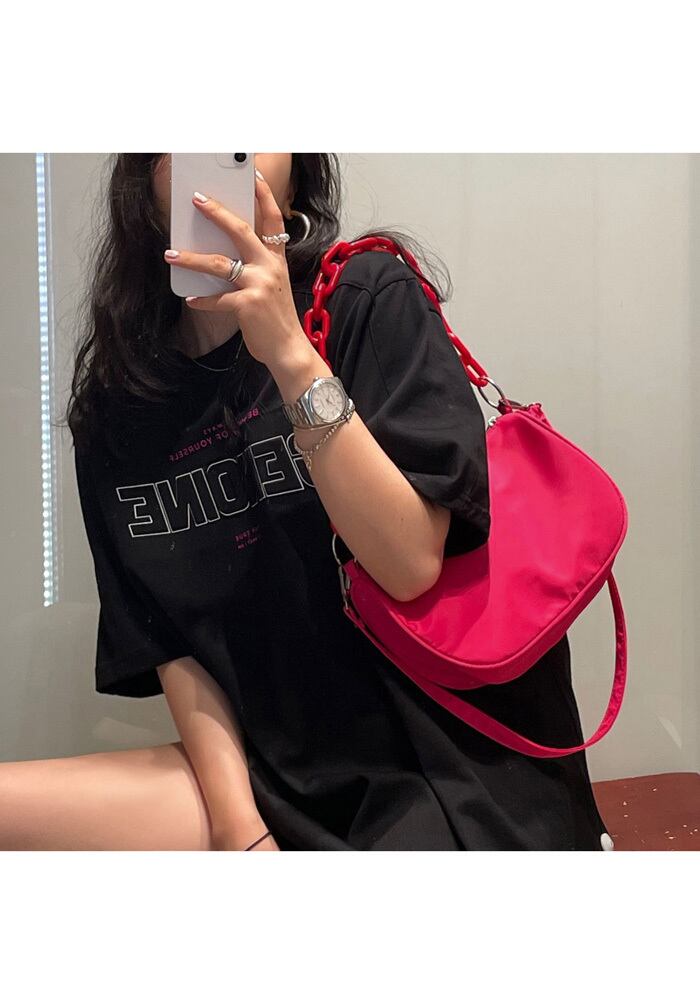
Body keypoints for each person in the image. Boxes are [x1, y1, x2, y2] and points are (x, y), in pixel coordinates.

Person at [1, 153, 613, 851]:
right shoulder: (121, 406)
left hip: (449, 769)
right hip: (274, 770)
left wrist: (289, 353)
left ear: (298, 173)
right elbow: (173, 643)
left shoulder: (365, 297)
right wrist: (240, 830)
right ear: (145, 181)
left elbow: (411, 564)